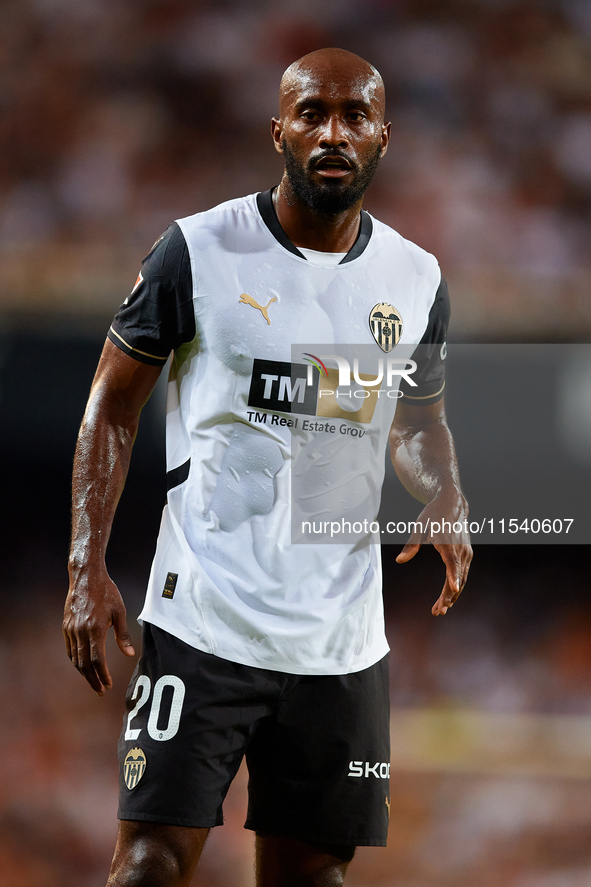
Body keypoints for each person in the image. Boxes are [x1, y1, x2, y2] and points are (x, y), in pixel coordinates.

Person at [63, 47, 472, 887]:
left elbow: (419, 420)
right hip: (204, 622)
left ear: (382, 136)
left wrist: (444, 488)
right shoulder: (197, 251)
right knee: (146, 867)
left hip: (340, 640)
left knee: (312, 878)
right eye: (311, 113)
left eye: (353, 115)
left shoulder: (417, 278)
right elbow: (111, 401)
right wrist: (85, 561)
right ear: (277, 129)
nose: (332, 131)